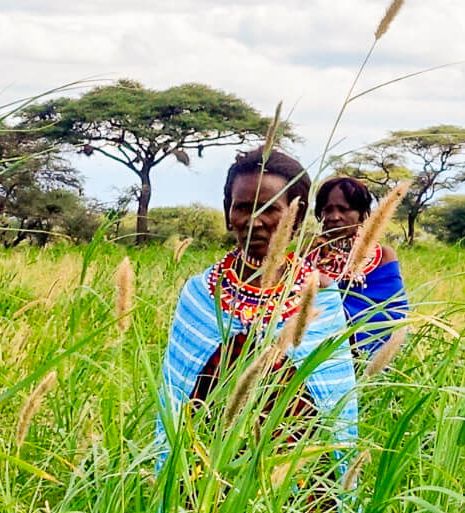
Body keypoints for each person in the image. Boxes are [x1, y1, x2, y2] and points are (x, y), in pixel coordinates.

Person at [158, 145, 358, 472]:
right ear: (227, 213)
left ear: (296, 216)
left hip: (295, 480)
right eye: (242, 207)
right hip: (206, 470)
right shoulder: (201, 294)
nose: (255, 221)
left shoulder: (320, 296)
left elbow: (336, 406)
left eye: (270, 208)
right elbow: (176, 396)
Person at [316, 174, 407, 359]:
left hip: (369, 358)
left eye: (344, 209)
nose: (334, 217)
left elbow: (394, 314)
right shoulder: (309, 255)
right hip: (314, 357)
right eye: (327, 209)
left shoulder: (383, 256)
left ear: (362, 214)